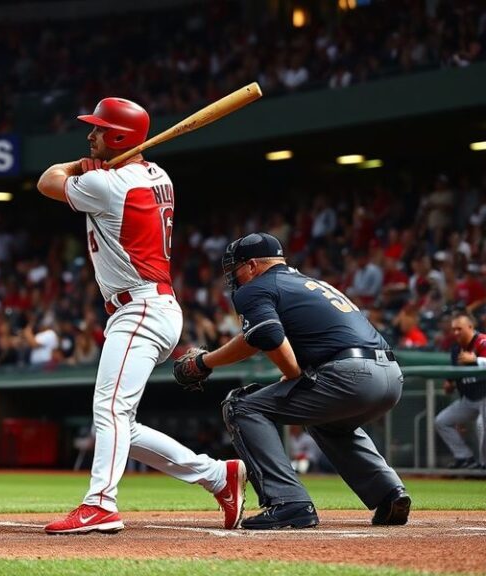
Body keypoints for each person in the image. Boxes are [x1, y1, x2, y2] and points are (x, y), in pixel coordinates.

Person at [37, 96, 245, 534]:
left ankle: (100, 504)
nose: (90, 135)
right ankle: (216, 476)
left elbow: (46, 181)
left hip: (141, 308)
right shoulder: (157, 174)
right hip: (153, 307)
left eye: (98, 129)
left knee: (109, 409)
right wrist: (98, 165)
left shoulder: (108, 185)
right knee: (119, 421)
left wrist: (80, 166)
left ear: (118, 138)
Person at [173, 233, 410, 529]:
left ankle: (288, 502)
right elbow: (257, 337)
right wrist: (206, 362)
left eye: (235, 269)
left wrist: (204, 363)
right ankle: (389, 494)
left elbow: (267, 336)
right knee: (327, 423)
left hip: (350, 375)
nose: (234, 277)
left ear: (252, 265)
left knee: (241, 405)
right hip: (389, 375)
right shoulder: (308, 284)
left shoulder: (255, 287)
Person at [434, 312, 486, 469]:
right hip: (469, 399)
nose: (456, 333)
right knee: (442, 421)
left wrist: (476, 360)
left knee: (481, 424)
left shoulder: (482, 341)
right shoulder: (456, 348)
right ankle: (465, 457)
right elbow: (454, 373)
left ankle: (484, 465)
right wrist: (449, 383)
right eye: (453, 329)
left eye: (459, 329)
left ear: (470, 327)